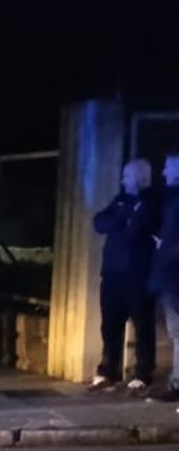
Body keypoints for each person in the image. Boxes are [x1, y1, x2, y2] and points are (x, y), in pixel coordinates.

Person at [92, 158, 159, 391]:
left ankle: (143, 373)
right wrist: (123, 216)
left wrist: (122, 220)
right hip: (112, 274)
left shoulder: (151, 202)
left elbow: (136, 230)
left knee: (142, 324)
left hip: (137, 275)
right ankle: (108, 370)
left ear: (141, 178)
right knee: (110, 325)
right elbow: (99, 222)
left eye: (127, 175)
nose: (123, 179)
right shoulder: (120, 200)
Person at [150, 152, 179, 399]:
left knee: (178, 331)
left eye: (168, 167)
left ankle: (177, 384)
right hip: (169, 273)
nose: (163, 172)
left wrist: (165, 249)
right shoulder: (170, 199)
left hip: (174, 274)